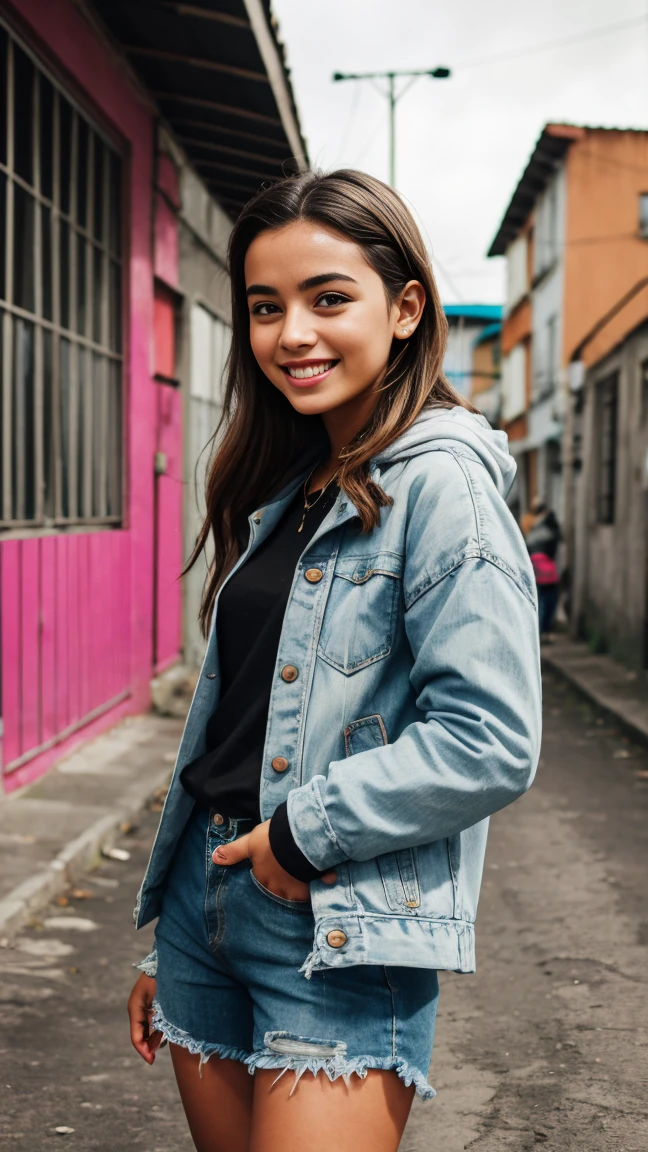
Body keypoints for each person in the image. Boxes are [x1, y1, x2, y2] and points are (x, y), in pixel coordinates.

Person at [127, 169, 542, 1152]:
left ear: (405, 310)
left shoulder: (445, 487)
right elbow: (239, 725)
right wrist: (183, 930)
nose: (292, 335)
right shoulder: (287, 484)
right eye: (266, 308)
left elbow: (489, 739)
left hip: (335, 919)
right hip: (204, 905)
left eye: (328, 298)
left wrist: (302, 835)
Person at [524, 499, 561, 641]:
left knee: (539, 602)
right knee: (548, 602)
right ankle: (543, 632)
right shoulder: (550, 528)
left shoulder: (531, 526)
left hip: (535, 569)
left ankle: (537, 633)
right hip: (547, 571)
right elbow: (556, 544)